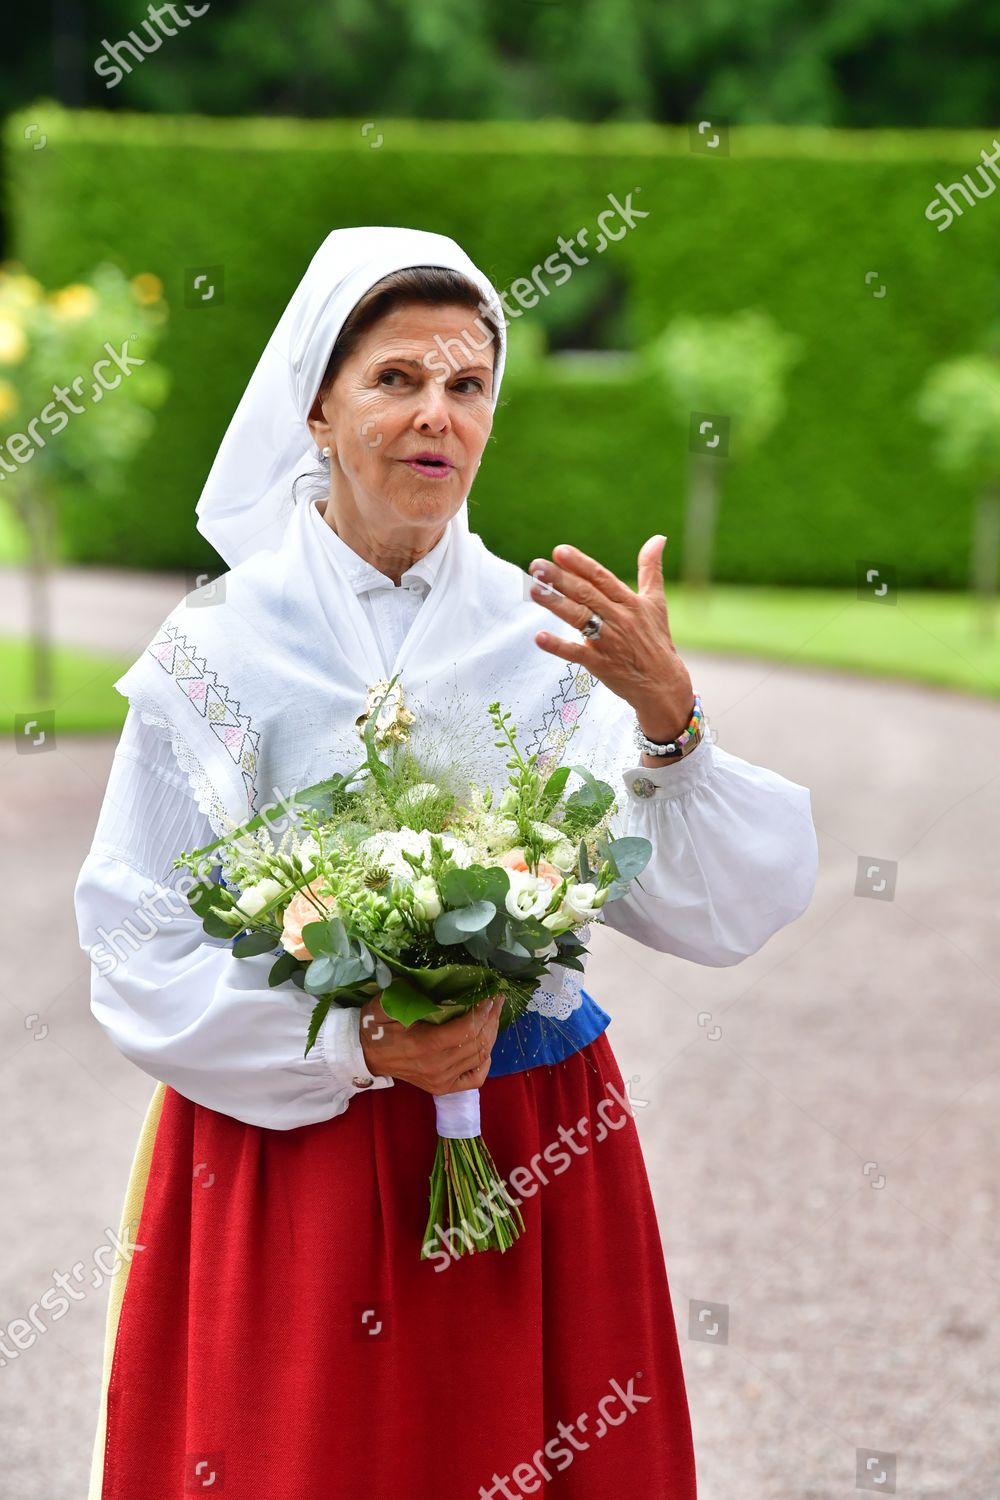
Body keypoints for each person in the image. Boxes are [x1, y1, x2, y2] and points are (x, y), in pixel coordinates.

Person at [74, 225, 818, 1499]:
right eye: (396, 379)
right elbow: (133, 946)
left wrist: (667, 726)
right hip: (288, 1156)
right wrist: (351, 1048)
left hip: (530, 1137)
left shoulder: (547, 638)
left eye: (467, 385)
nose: (437, 415)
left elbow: (708, 912)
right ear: (317, 406)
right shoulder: (218, 650)